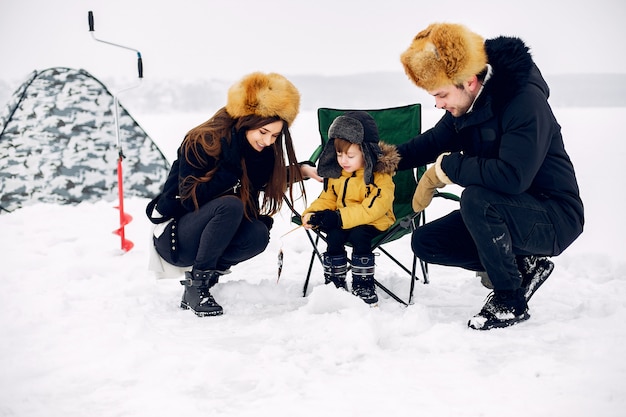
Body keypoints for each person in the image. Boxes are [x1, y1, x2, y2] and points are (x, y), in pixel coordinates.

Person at [395, 23, 584, 329]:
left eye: (441, 95)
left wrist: (450, 167)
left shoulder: (524, 102)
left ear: (469, 81)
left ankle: (510, 299)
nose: (438, 104)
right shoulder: (466, 107)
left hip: (554, 216)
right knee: (427, 242)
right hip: (510, 210)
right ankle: (523, 266)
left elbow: (512, 177)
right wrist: (380, 160)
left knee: (477, 198)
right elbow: (431, 143)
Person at [146, 72, 319, 317]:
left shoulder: (255, 149)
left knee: (257, 233)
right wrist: (229, 171)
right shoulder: (203, 140)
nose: (268, 141)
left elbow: (268, 177)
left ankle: (204, 280)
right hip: (177, 236)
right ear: (247, 120)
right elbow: (187, 198)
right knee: (230, 205)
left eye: (275, 136)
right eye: (263, 132)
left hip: (213, 232)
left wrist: (303, 170)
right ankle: (198, 286)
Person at [301, 111, 399, 305]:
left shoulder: (380, 176)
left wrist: (338, 218)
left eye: (350, 155)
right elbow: (328, 197)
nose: (343, 160)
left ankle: (363, 283)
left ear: (367, 152)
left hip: (373, 221)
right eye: (339, 154)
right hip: (343, 218)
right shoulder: (338, 174)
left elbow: (374, 207)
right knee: (335, 235)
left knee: (359, 235)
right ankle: (335, 282)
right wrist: (313, 213)